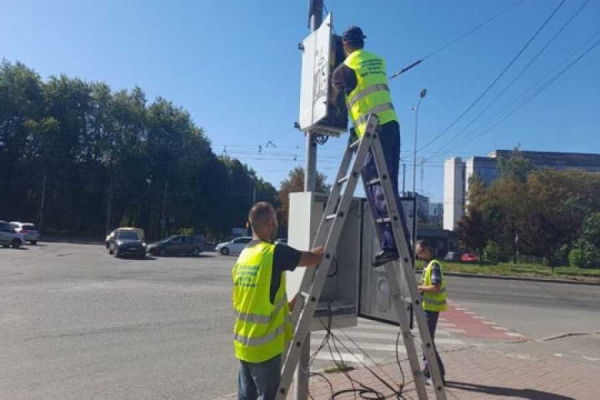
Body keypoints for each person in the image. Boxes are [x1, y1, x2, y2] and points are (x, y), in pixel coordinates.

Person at [331, 25, 411, 267]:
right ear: (362, 43)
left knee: (378, 186)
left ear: (345, 45)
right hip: (391, 125)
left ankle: (391, 245)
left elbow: (334, 96)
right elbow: (366, 93)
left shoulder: (344, 68)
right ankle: (400, 242)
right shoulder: (378, 61)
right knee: (389, 184)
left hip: (372, 131)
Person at [232, 202, 324, 400]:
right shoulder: (274, 252)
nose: (276, 225)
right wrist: (330, 243)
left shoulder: (244, 255)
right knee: (270, 396)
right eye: (275, 221)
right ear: (269, 224)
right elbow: (313, 258)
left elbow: (256, 297)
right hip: (265, 347)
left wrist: (288, 306)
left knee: (246, 397)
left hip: (244, 343)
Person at [416, 239, 447, 383]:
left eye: (420, 253)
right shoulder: (428, 265)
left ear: (427, 250)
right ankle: (433, 371)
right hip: (427, 308)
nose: (419, 256)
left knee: (427, 342)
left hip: (431, 309)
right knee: (427, 342)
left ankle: (435, 374)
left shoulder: (434, 266)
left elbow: (436, 288)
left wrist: (419, 288)